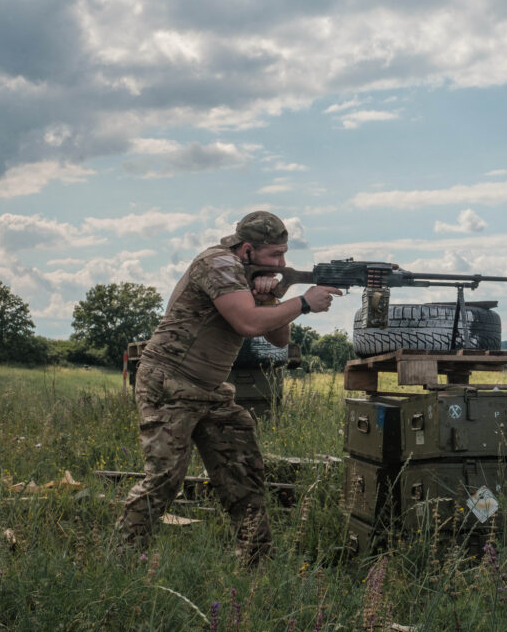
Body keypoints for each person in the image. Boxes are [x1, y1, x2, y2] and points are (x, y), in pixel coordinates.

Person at [114, 211, 342, 564]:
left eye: (284, 254)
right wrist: (304, 302)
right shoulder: (218, 264)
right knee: (165, 479)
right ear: (248, 250)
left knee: (243, 470)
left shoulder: (248, 274)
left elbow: (278, 339)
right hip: (170, 382)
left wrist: (271, 298)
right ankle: (122, 558)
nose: (283, 263)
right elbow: (248, 323)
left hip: (210, 389)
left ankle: (256, 563)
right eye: (275, 255)